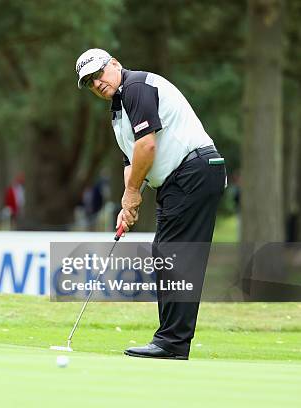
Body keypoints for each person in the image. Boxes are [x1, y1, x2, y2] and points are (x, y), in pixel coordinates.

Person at [75, 48, 226, 360]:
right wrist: (128, 203)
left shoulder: (136, 88)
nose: (97, 83)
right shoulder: (119, 109)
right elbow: (132, 160)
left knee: (175, 253)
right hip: (180, 178)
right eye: (89, 82)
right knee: (166, 252)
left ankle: (172, 342)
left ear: (114, 64)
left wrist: (132, 193)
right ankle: (172, 340)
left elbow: (147, 145)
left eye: (99, 73)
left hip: (193, 170)